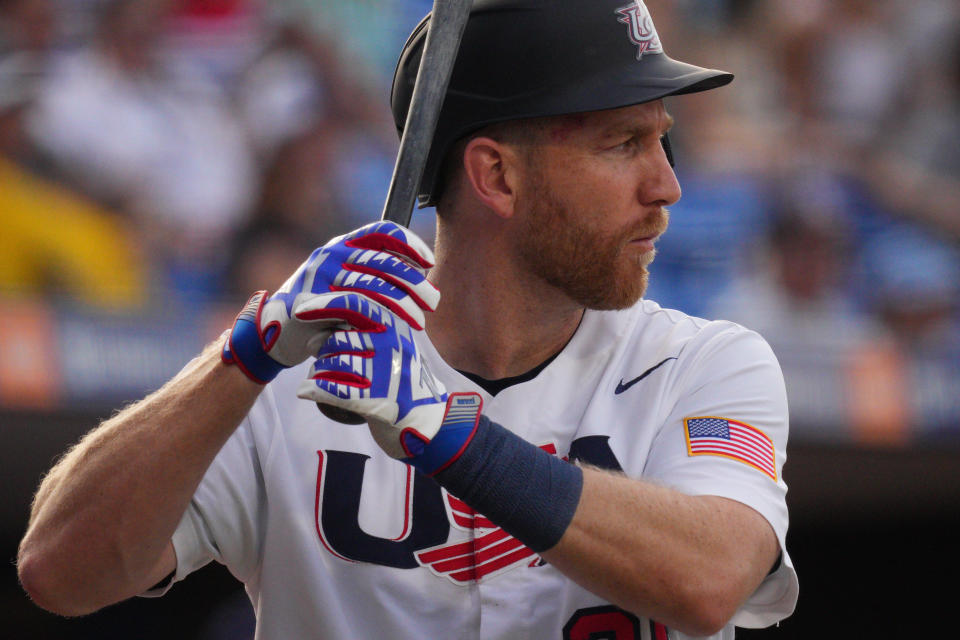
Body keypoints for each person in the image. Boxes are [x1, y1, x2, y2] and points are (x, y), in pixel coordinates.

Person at [17, 1, 798, 638]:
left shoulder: (701, 364)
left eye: (662, 141)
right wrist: (243, 353)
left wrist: (453, 438)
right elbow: (59, 573)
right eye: (623, 143)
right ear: (496, 174)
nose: (667, 186)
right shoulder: (300, 377)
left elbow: (711, 581)